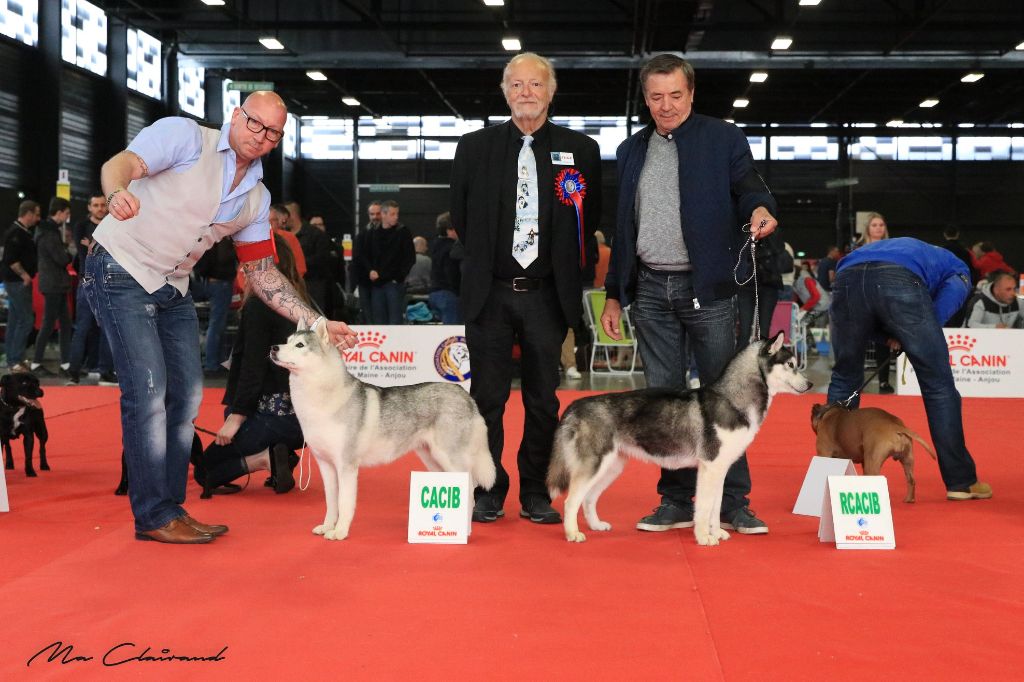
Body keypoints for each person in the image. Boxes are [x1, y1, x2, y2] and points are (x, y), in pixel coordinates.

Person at [90, 90, 356, 544]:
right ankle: (153, 514)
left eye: (273, 133)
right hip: (119, 266)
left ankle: (170, 508)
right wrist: (115, 193)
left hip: (173, 285)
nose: (261, 136)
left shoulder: (256, 197)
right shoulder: (184, 137)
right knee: (149, 393)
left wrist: (316, 322)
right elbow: (121, 164)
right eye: (255, 123)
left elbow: (263, 273)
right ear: (236, 115)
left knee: (188, 397)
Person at [601, 54, 777, 535]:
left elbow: (748, 185)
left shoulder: (724, 136)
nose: (666, 105)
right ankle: (675, 500)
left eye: (675, 95)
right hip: (651, 288)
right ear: (645, 98)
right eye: (656, 97)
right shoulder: (630, 150)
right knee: (663, 400)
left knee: (727, 397)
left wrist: (761, 207)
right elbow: (623, 226)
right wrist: (616, 293)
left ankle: (733, 503)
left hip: (709, 288)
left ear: (692, 93)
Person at [450, 52, 602, 524]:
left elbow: (588, 220)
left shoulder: (581, 150)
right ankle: (489, 487)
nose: (526, 93)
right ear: (504, 91)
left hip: (546, 295)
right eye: (516, 85)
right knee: (487, 400)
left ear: (551, 91)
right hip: (490, 293)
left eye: (535, 85)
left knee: (543, 400)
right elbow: (460, 215)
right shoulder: (473, 148)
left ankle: (537, 491)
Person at [826, 237, 991, 501]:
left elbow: (868, 314)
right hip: (898, 280)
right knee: (939, 387)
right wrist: (908, 335)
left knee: (845, 377)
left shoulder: (906, 249)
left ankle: (830, 479)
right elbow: (936, 317)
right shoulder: (959, 269)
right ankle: (961, 481)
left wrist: (891, 335)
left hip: (847, 278)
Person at [197, 235, 306, 497]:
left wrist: (236, 419)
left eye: (246, 263)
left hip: (274, 417)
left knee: (204, 472)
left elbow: (253, 367)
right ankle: (277, 452)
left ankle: (262, 459)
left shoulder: (259, 305)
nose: (242, 269)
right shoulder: (298, 298)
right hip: (305, 420)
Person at [66, 193, 116, 384]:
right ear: (89, 207)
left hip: (109, 282)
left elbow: (116, 252)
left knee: (108, 329)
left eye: (103, 205)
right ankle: (73, 371)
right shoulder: (80, 226)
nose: (100, 208)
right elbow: (83, 254)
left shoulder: (114, 224)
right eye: (95, 205)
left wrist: (93, 246)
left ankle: (105, 370)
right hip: (87, 281)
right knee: (82, 328)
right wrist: (103, 248)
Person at [31, 198, 73, 374]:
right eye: (67, 213)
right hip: (54, 284)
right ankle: (36, 363)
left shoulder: (47, 230)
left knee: (64, 323)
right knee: (49, 323)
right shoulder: (49, 232)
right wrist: (68, 252)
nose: (67, 217)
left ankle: (65, 364)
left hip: (55, 284)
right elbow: (62, 259)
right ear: (61, 212)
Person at [854, 211, 893, 393]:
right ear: (868, 229)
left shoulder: (893, 248)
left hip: (885, 298)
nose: (878, 228)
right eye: (874, 225)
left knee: (883, 342)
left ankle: (884, 382)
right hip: (863, 298)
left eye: (881, 225)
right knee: (858, 342)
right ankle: (856, 383)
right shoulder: (859, 249)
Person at [2, 200, 41, 373]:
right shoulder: (16, 233)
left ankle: (12, 358)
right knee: (25, 320)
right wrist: (24, 275)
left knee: (15, 320)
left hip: (16, 282)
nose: (38, 218)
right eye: (37, 214)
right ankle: (15, 359)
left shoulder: (22, 232)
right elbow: (11, 259)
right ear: (29, 213)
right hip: (17, 282)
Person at [363, 199, 414, 324]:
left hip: (395, 284)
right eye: (392, 214)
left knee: (395, 321)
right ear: (383, 214)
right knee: (378, 321)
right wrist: (370, 270)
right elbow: (365, 254)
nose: (396, 217)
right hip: (377, 284)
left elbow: (410, 257)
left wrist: (399, 276)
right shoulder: (372, 232)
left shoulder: (403, 232)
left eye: (397, 214)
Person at [193, 236, 237, 376]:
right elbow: (225, 261)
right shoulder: (224, 241)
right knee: (217, 324)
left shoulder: (208, 238)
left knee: (215, 324)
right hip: (221, 283)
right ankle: (212, 363)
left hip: (208, 282)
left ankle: (213, 362)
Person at [736, 231, 785, 348]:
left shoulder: (773, 234)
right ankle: (740, 363)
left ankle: (760, 363)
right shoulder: (744, 231)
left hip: (767, 284)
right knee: (744, 329)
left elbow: (779, 251)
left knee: (763, 329)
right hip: (747, 285)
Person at [286, 200, 332, 312]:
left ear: (292, 215)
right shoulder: (283, 236)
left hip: (312, 285)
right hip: (290, 285)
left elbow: (322, 259)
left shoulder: (316, 235)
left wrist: (298, 264)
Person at [427, 211, 463, 324]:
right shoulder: (452, 248)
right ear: (449, 230)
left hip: (434, 293)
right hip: (448, 295)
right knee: (452, 333)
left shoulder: (435, 245)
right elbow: (451, 274)